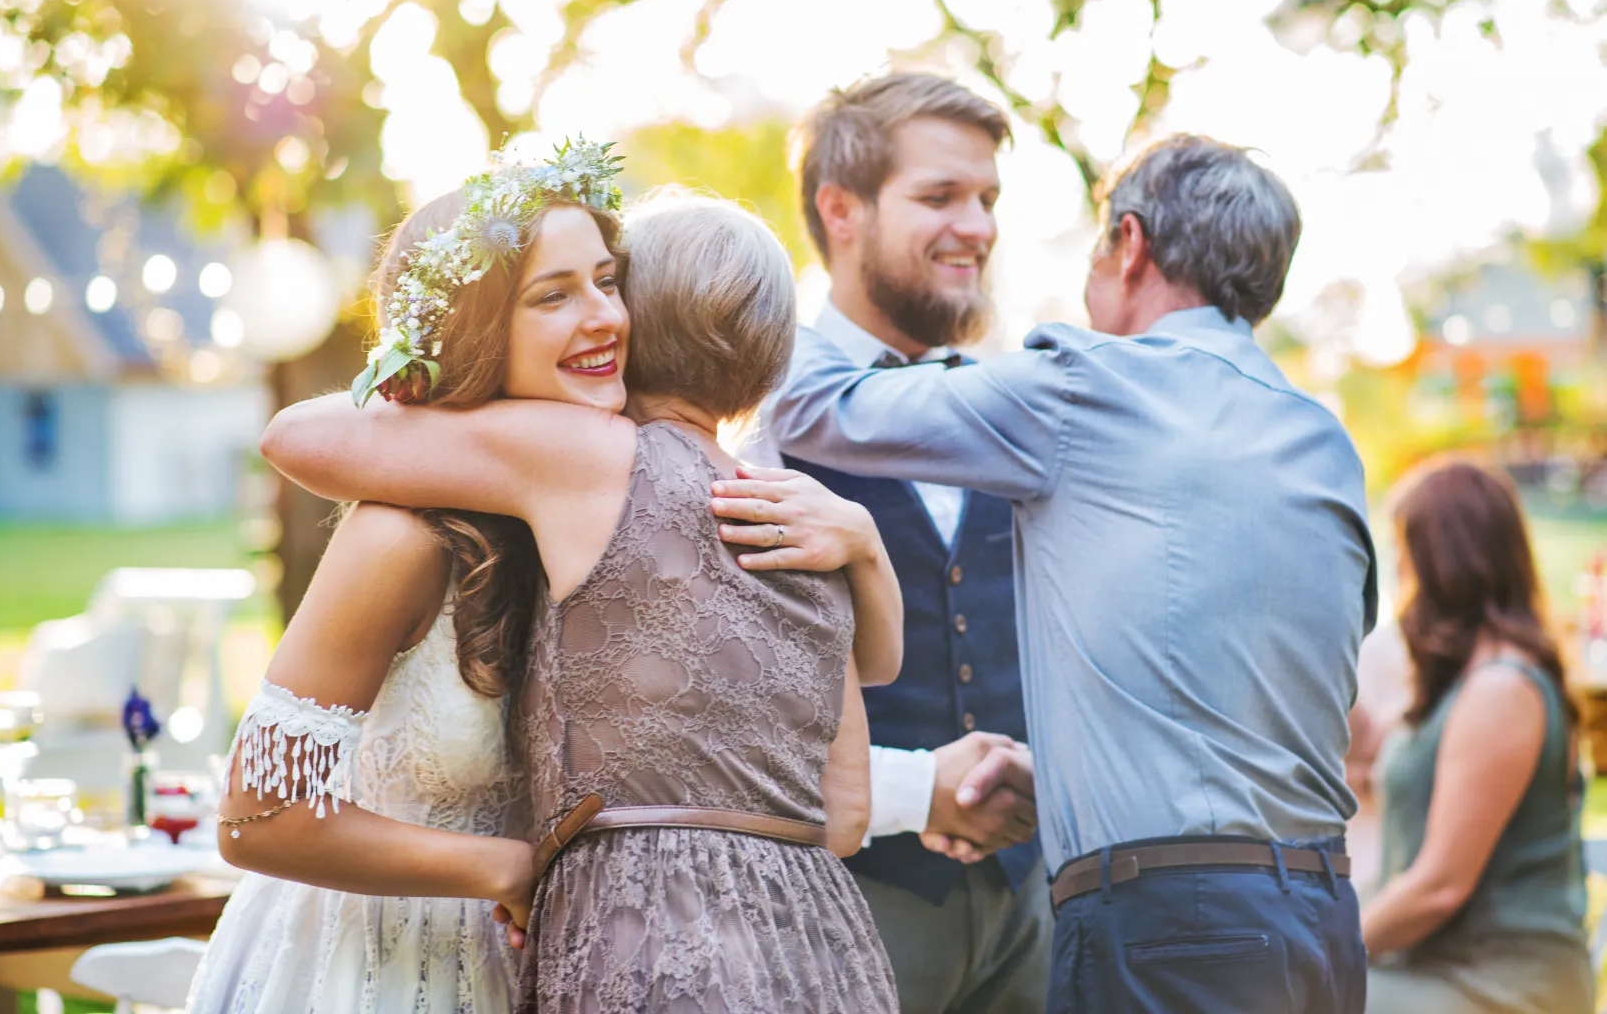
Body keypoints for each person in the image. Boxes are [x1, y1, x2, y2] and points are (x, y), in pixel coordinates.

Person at [759, 132, 1377, 1013]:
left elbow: (819, 407)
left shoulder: (1086, 390)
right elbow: (1253, 699)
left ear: (1129, 245)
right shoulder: (1321, 437)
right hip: (1317, 917)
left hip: (1167, 923)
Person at [255, 178, 902, 1013]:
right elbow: (846, 813)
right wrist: (869, 551)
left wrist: (419, 399)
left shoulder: (587, 458)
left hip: (644, 939)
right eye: (557, 293)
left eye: (608, 283)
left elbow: (295, 435)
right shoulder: (800, 521)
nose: (601, 314)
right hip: (821, 949)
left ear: (643, 318)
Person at [739, 73, 1049, 1013]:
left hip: (1029, 904)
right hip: (839, 901)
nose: (978, 227)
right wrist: (919, 795)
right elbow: (723, 708)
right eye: (940, 197)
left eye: (988, 199)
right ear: (842, 209)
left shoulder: (1015, 404)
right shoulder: (752, 413)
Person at [1363, 459, 1591, 1014]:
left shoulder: (1501, 691)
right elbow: (1366, 750)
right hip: (1435, 971)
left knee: (1267, 994)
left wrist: (1324, 949)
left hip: (1499, 987)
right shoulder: (1465, 685)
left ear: (1444, 563)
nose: (1398, 575)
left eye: (1403, 554)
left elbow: (1440, 887)